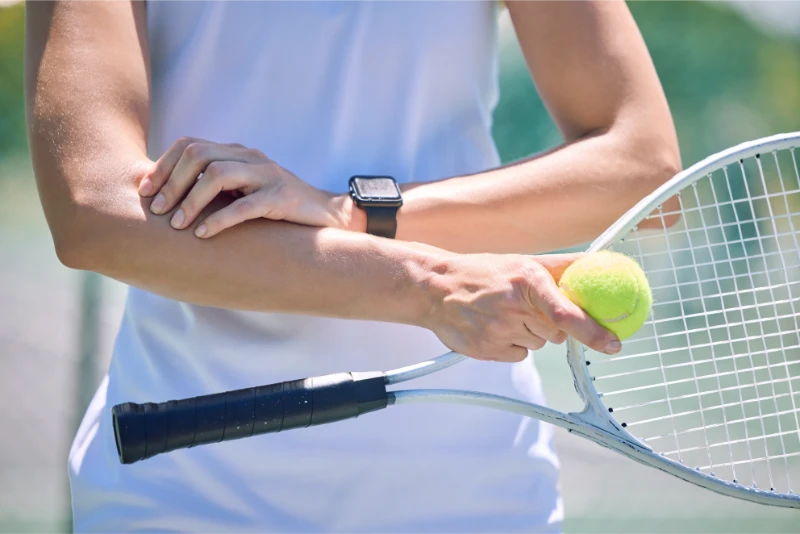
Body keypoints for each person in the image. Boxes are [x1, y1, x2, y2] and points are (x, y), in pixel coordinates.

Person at [25, 1, 680, 532]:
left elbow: (642, 167)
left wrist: (353, 214)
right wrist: (427, 285)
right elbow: (94, 212)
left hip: (473, 492)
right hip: (182, 484)